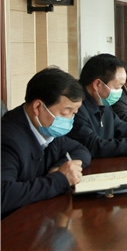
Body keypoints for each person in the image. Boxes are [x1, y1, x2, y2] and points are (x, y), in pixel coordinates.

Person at [2, 67, 91, 218]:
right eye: (66, 112)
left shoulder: (45, 128)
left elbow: (80, 150)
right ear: (38, 107)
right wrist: (59, 179)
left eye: (74, 113)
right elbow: (4, 194)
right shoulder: (8, 139)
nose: (70, 119)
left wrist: (59, 168)